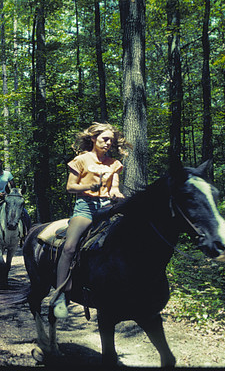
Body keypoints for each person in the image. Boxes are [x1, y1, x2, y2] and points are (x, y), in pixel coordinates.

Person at [52, 122, 131, 319]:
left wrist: (115, 195)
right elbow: (70, 187)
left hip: (108, 209)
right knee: (69, 247)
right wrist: (89, 185)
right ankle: (60, 294)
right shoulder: (80, 160)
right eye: (105, 139)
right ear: (94, 139)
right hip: (85, 208)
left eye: (111, 141)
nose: (108, 144)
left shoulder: (114, 164)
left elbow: (115, 187)